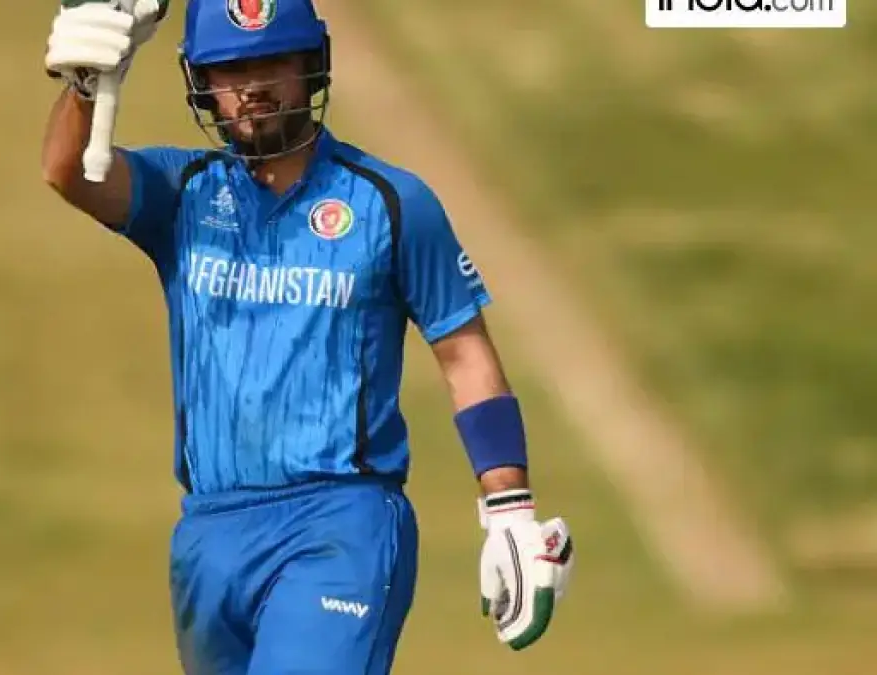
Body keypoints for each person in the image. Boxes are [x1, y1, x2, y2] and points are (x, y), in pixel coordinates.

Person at [40, 0, 575, 672]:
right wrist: (86, 86)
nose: (252, 87)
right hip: (210, 534)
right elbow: (68, 171)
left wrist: (509, 508)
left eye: (271, 63)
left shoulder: (390, 203)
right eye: (231, 69)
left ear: (310, 65)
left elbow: (465, 354)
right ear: (202, 80)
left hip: (340, 522)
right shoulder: (184, 193)